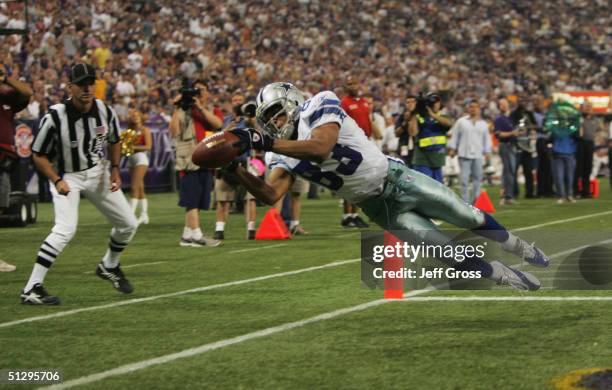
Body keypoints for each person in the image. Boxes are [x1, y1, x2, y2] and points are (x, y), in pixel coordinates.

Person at [226, 82, 549, 291]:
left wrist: (265, 142)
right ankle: (502, 274)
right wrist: (236, 170)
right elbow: (270, 195)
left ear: (292, 99)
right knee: (445, 251)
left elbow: (322, 146)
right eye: (269, 119)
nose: (275, 123)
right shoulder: (278, 149)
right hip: (376, 206)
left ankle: (518, 246)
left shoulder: (318, 104)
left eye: (277, 113)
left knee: (464, 214)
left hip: (397, 180)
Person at [21, 63, 139, 305]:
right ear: (70, 87)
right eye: (81, 83)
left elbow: (115, 140)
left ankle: (109, 265)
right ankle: (32, 287)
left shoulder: (105, 110)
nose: (86, 88)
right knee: (65, 229)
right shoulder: (55, 116)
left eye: (90, 83)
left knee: (128, 224)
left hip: (98, 172)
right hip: (67, 175)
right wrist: (56, 179)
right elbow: (38, 154)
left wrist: (115, 169)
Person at [169, 79, 221, 247]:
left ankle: (187, 235)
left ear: (207, 92)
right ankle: (197, 236)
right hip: (188, 160)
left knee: (199, 200)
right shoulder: (183, 110)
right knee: (192, 199)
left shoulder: (212, 109)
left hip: (206, 159)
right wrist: (176, 108)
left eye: (201, 90)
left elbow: (217, 124)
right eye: (195, 90)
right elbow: (174, 131)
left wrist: (199, 107)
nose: (198, 93)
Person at [0, 63, 31, 274]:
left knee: (1, 206)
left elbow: (27, 92)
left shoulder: (8, 97)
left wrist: (6, 78)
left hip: (3, 160)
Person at [214, 91, 257, 240]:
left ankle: (251, 229)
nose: (237, 102)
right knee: (223, 198)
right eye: (235, 100)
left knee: (249, 198)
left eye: (240, 100)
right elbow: (216, 140)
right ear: (231, 103)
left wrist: (250, 114)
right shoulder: (225, 120)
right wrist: (227, 130)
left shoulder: (248, 120)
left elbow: (254, 126)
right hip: (227, 162)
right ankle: (219, 230)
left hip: (245, 162)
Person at [338, 75, 372, 229]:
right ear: (346, 87)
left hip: (365, 144)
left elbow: (368, 122)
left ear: (359, 84)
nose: (352, 86)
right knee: (350, 180)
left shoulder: (364, 102)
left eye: (354, 83)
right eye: (349, 84)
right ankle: (347, 216)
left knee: (361, 181)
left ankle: (354, 215)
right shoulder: (344, 103)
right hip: (351, 145)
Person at [447, 100, 492, 204]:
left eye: (476, 107)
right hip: (464, 154)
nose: (473, 109)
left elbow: (487, 140)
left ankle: (475, 202)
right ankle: (465, 203)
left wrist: (487, 152)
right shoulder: (461, 122)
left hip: (478, 155)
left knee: (478, 180)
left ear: (479, 109)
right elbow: (455, 136)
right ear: (468, 108)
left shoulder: (484, 124)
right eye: (471, 107)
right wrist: (452, 148)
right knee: (464, 180)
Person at [408, 93, 453, 183]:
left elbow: (448, 123)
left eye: (437, 102)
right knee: (424, 186)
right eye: (433, 102)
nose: (435, 104)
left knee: (438, 187)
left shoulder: (443, 117)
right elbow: (413, 133)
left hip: (437, 159)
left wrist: (431, 114)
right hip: (422, 159)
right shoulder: (418, 117)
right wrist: (414, 113)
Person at [126, 108, 152, 224]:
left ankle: (130, 217)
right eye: (132, 116)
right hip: (131, 159)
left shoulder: (145, 129)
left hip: (141, 159)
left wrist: (133, 148)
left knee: (134, 188)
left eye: (137, 115)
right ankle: (144, 215)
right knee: (140, 189)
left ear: (141, 117)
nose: (135, 117)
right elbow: (125, 147)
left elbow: (148, 146)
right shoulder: (129, 131)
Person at [494, 98, 518, 205]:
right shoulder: (499, 119)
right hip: (505, 146)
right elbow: (498, 134)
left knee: (509, 171)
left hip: (512, 146)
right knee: (509, 171)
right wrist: (512, 133)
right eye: (501, 104)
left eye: (505, 104)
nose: (504, 106)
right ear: (499, 107)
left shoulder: (510, 118)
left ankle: (506, 194)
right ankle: (507, 196)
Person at [575, 102, 602, 198]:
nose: (588, 109)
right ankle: (576, 191)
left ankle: (585, 192)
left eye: (589, 107)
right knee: (579, 168)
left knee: (587, 169)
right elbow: (578, 133)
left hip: (590, 144)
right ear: (581, 109)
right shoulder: (579, 118)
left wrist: (598, 146)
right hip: (580, 143)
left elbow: (598, 132)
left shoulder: (596, 120)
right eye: (586, 107)